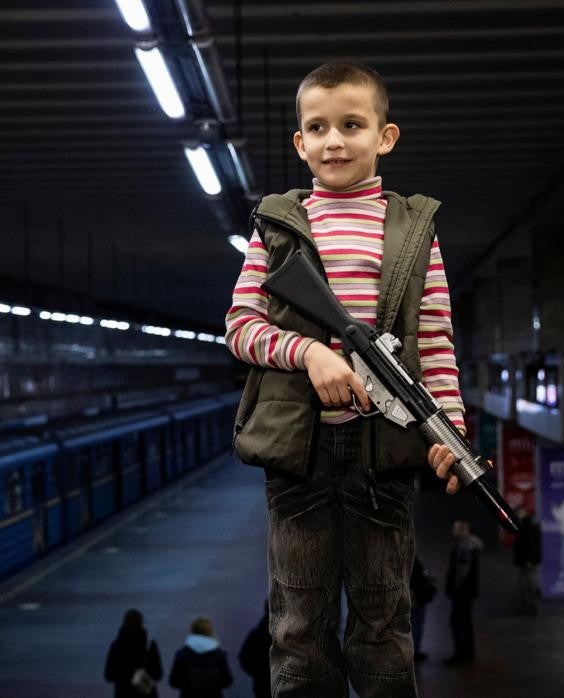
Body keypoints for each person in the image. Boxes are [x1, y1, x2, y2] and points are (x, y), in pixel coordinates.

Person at [225, 60, 468, 697]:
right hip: (298, 457)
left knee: (383, 621)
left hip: (382, 453)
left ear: (385, 137)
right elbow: (240, 327)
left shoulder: (415, 231)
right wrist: (310, 353)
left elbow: (435, 341)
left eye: (352, 125)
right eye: (319, 128)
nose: (335, 141)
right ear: (300, 144)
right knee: (298, 626)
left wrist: (452, 433)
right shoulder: (275, 226)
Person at [445, 520, 482, 664]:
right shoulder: (473, 546)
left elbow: (461, 570)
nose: (453, 531)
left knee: (457, 622)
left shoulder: (464, 547)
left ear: (462, 530)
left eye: (455, 529)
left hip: (462, 592)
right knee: (465, 622)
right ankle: (468, 654)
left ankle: (461, 654)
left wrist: (454, 587)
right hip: (469, 591)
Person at [104, 609, 163, 698]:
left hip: (123, 693)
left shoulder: (116, 646)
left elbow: (109, 675)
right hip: (145, 692)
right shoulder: (149, 645)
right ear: (141, 623)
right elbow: (158, 674)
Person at [169, 616, 233, 698]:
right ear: (210, 632)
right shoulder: (219, 655)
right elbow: (228, 682)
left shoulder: (182, 655)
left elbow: (174, 682)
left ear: (192, 631)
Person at [237, 602, 271, 697]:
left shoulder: (257, 634)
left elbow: (244, 658)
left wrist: (258, 673)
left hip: (262, 684)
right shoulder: (292, 634)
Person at [513, 507, 542, 614]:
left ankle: (532, 606)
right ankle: (527, 605)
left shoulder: (528, 527)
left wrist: (530, 560)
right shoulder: (524, 526)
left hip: (527, 561)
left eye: (519, 513)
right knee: (524, 583)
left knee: (529, 584)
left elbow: (532, 545)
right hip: (524, 561)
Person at [410, 556, 437, 662]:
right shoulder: (411, 559)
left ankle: (414, 650)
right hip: (417, 597)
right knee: (416, 624)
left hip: (417, 597)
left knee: (415, 624)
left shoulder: (408, 559)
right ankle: (414, 651)